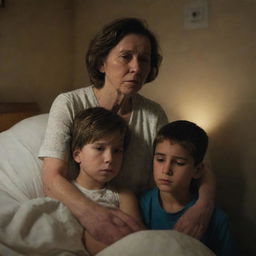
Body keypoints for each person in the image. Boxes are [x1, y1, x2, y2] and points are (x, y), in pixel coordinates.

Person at [39, 17, 215, 245]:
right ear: (102, 62)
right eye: (125, 57)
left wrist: (204, 206)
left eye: (144, 59)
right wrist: (94, 215)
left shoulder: (153, 114)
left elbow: (197, 162)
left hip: (136, 215)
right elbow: (51, 177)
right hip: (80, 215)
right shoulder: (69, 103)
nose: (137, 68)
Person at [139, 120, 237, 255]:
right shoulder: (139, 206)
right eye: (160, 160)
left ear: (197, 170)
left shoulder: (216, 219)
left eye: (179, 163)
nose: (166, 170)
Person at [70, 107, 143, 255]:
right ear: (78, 155)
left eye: (117, 151)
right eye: (99, 148)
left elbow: (137, 240)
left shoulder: (123, 195)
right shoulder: (66, 193)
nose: (109, 159)